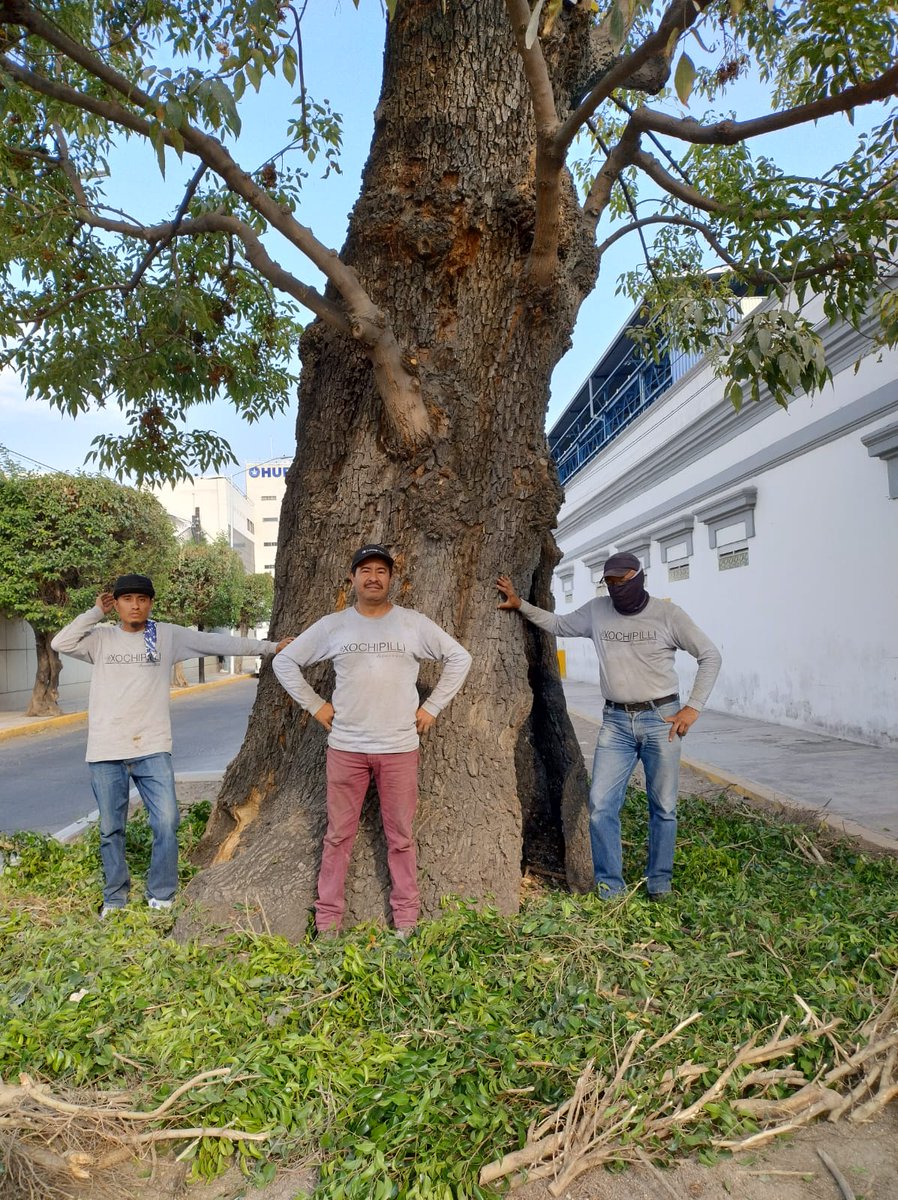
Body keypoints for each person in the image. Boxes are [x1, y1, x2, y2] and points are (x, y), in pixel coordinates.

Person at [52, 574, 292, 917]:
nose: (135, 605)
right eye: (127, 599)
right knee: (110, 828)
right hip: (106, 750)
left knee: (166, 822)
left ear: (150, 602)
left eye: (142, 599)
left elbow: (216, 642)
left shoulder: (164, 635)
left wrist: (269, 647)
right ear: (116, 604)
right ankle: (115, 899)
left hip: (152, 748)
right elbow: (61, 642)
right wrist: (93, 614)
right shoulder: (100, 638)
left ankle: (160, 894)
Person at [273, 544, 472, 938]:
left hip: (399, 748)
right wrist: (316, 706)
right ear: (352, 579)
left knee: (400, 838)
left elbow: (459, 657)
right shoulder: (334, 626)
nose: (373, 577)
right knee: (337, 836)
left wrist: (431, 707)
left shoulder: (412, 624)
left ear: (392, 579)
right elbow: (284, 661)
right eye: (365, 570)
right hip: (346, 748)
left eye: (381, 570)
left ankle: (406, 921)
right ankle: (328, 922)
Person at [496, 553, 721, 900]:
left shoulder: (667, 614)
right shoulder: (597, 611)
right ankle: (610, 888)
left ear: (640, 577)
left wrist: (692, 708)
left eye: (623, 580)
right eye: (611, 582)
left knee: (663, 806)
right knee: (601, 805)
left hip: (661, 719)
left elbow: (710, 655)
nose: (617, 587)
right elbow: (559, 624)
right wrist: (521, 604)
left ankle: (659, 882)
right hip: (615, 721)